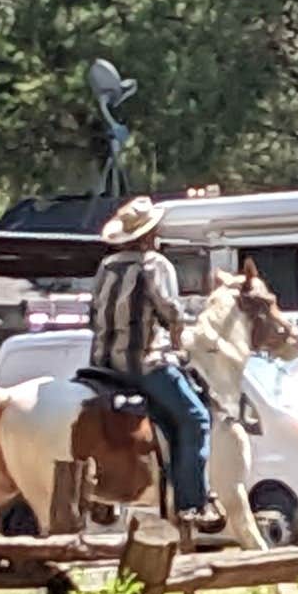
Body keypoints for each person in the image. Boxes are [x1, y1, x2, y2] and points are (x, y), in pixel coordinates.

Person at [88, 196, 211, 522]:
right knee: (196, 419)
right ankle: (192, 503)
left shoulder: (106, 267)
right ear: (148, 234)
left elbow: (94, 313)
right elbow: (171, 312)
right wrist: (179, 334)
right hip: (143, 365)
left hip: (101, 365)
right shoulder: (155, 265)